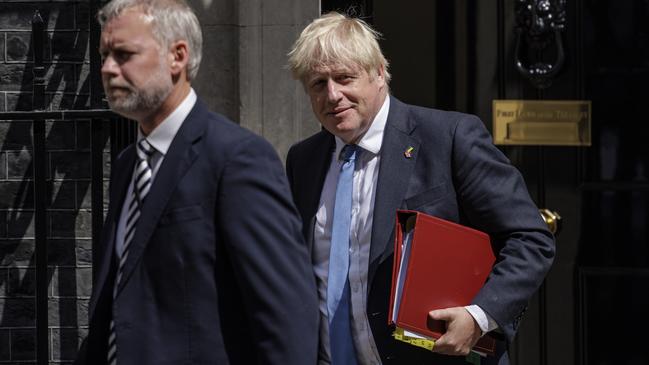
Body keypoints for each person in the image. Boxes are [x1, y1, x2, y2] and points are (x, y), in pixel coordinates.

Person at [286, 12, 555, 365]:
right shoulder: (303, 160)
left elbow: (530, 238)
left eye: (345, 78)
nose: (333, 95)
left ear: (379, 73)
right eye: (318, 84)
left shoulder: (449, 138)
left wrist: (479, 316)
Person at [75, 0, 318, 364]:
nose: (108, 69)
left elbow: (287, 317)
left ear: (178, 56)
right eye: (104, 55)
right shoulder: (128, 164)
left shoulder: (236, 159)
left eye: (124, 55)